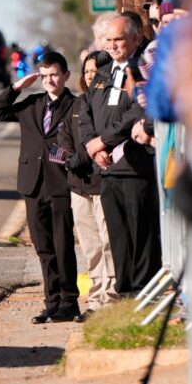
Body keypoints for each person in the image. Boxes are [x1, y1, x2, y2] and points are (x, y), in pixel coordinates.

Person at [0, 52, 80, 324]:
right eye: (45, 75)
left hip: (61, 182)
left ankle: (69, 301)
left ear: (65, 76)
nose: (50, 80)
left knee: (63, 244)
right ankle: (51, 302)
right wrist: (18, 87)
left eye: (54, 74)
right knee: (43, 246)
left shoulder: (75, 106)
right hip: (33, 183)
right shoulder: (31, 103)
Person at [78, 16, 161, 296]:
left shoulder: (143, 71)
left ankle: (143, 293)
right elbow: (85, 112)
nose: (113, 45)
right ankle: (124, 293)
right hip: (107, 170)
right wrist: (93, 145)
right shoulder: (102, 74)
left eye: (119, 39)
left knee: (142, 236)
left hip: (136, 167)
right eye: (109, 40)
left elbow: (137, 113)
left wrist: (105, 140)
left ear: (136, 39)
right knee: (119, 237)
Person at [58, 50, 117, 322]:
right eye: (87, 71)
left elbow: (108, 137)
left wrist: (84, 155)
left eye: (96, 70)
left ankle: (111, 298)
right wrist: (71, 158)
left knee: (108, 245)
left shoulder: (114, 101)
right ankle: (94, 299)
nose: (91, 76)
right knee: (91, 247)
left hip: (104, 182)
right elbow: (65, 139)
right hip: (79, 186)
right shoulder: (77, 104)